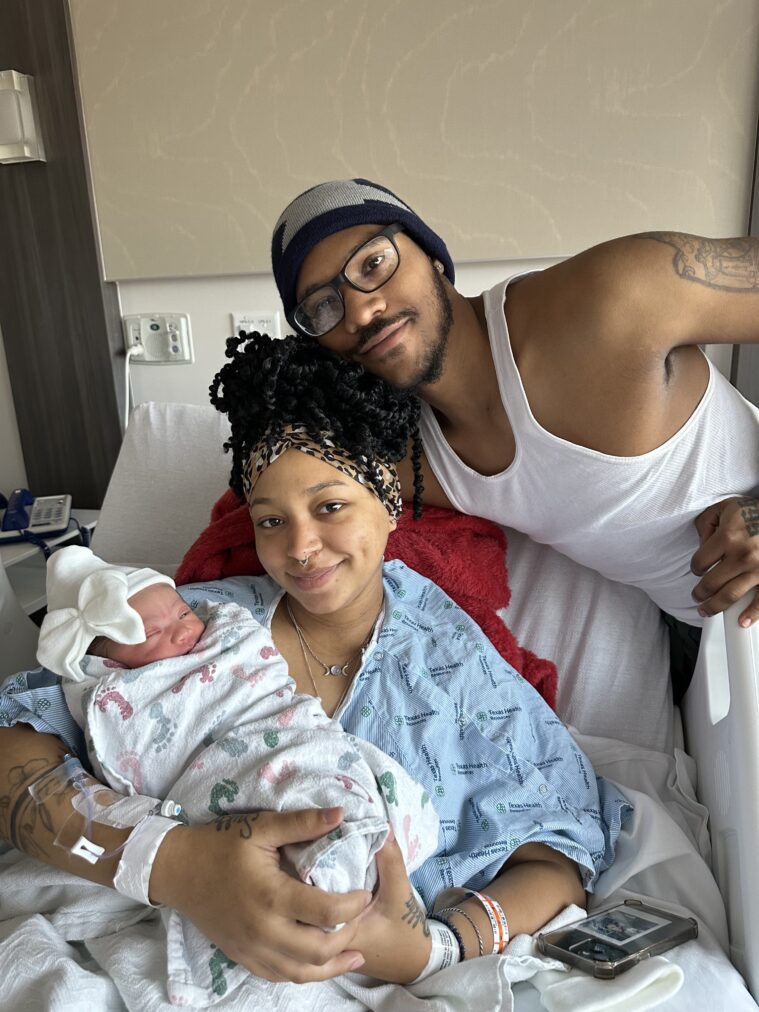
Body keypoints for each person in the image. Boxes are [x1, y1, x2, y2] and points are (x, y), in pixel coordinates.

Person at [0, 333, 630, 996]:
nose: (299, 548)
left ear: (387, 495)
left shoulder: (451, 666)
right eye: (270, 520)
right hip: (130, 936)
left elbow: (560, 861)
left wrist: (433, 949)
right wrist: (178, 866)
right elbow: (16, 741)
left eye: (329, 507)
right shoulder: (194, 628)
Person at [269, 177, 759, 634]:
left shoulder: (614, 298)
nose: (360, 310)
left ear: (431, 254)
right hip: (706, 650)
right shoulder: (405, 458)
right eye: (323, 307)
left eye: (373, 264)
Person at [34, 545, 439, 1006]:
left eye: (182, 612)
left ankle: (348, 855)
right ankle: (324, 874)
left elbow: (269, 692)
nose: (183, 629)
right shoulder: (119, 696)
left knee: (329, 785)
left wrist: (426, 953)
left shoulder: (232, 630)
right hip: (220, 780)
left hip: (292, 736)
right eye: (153, 632)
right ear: (108, 663)